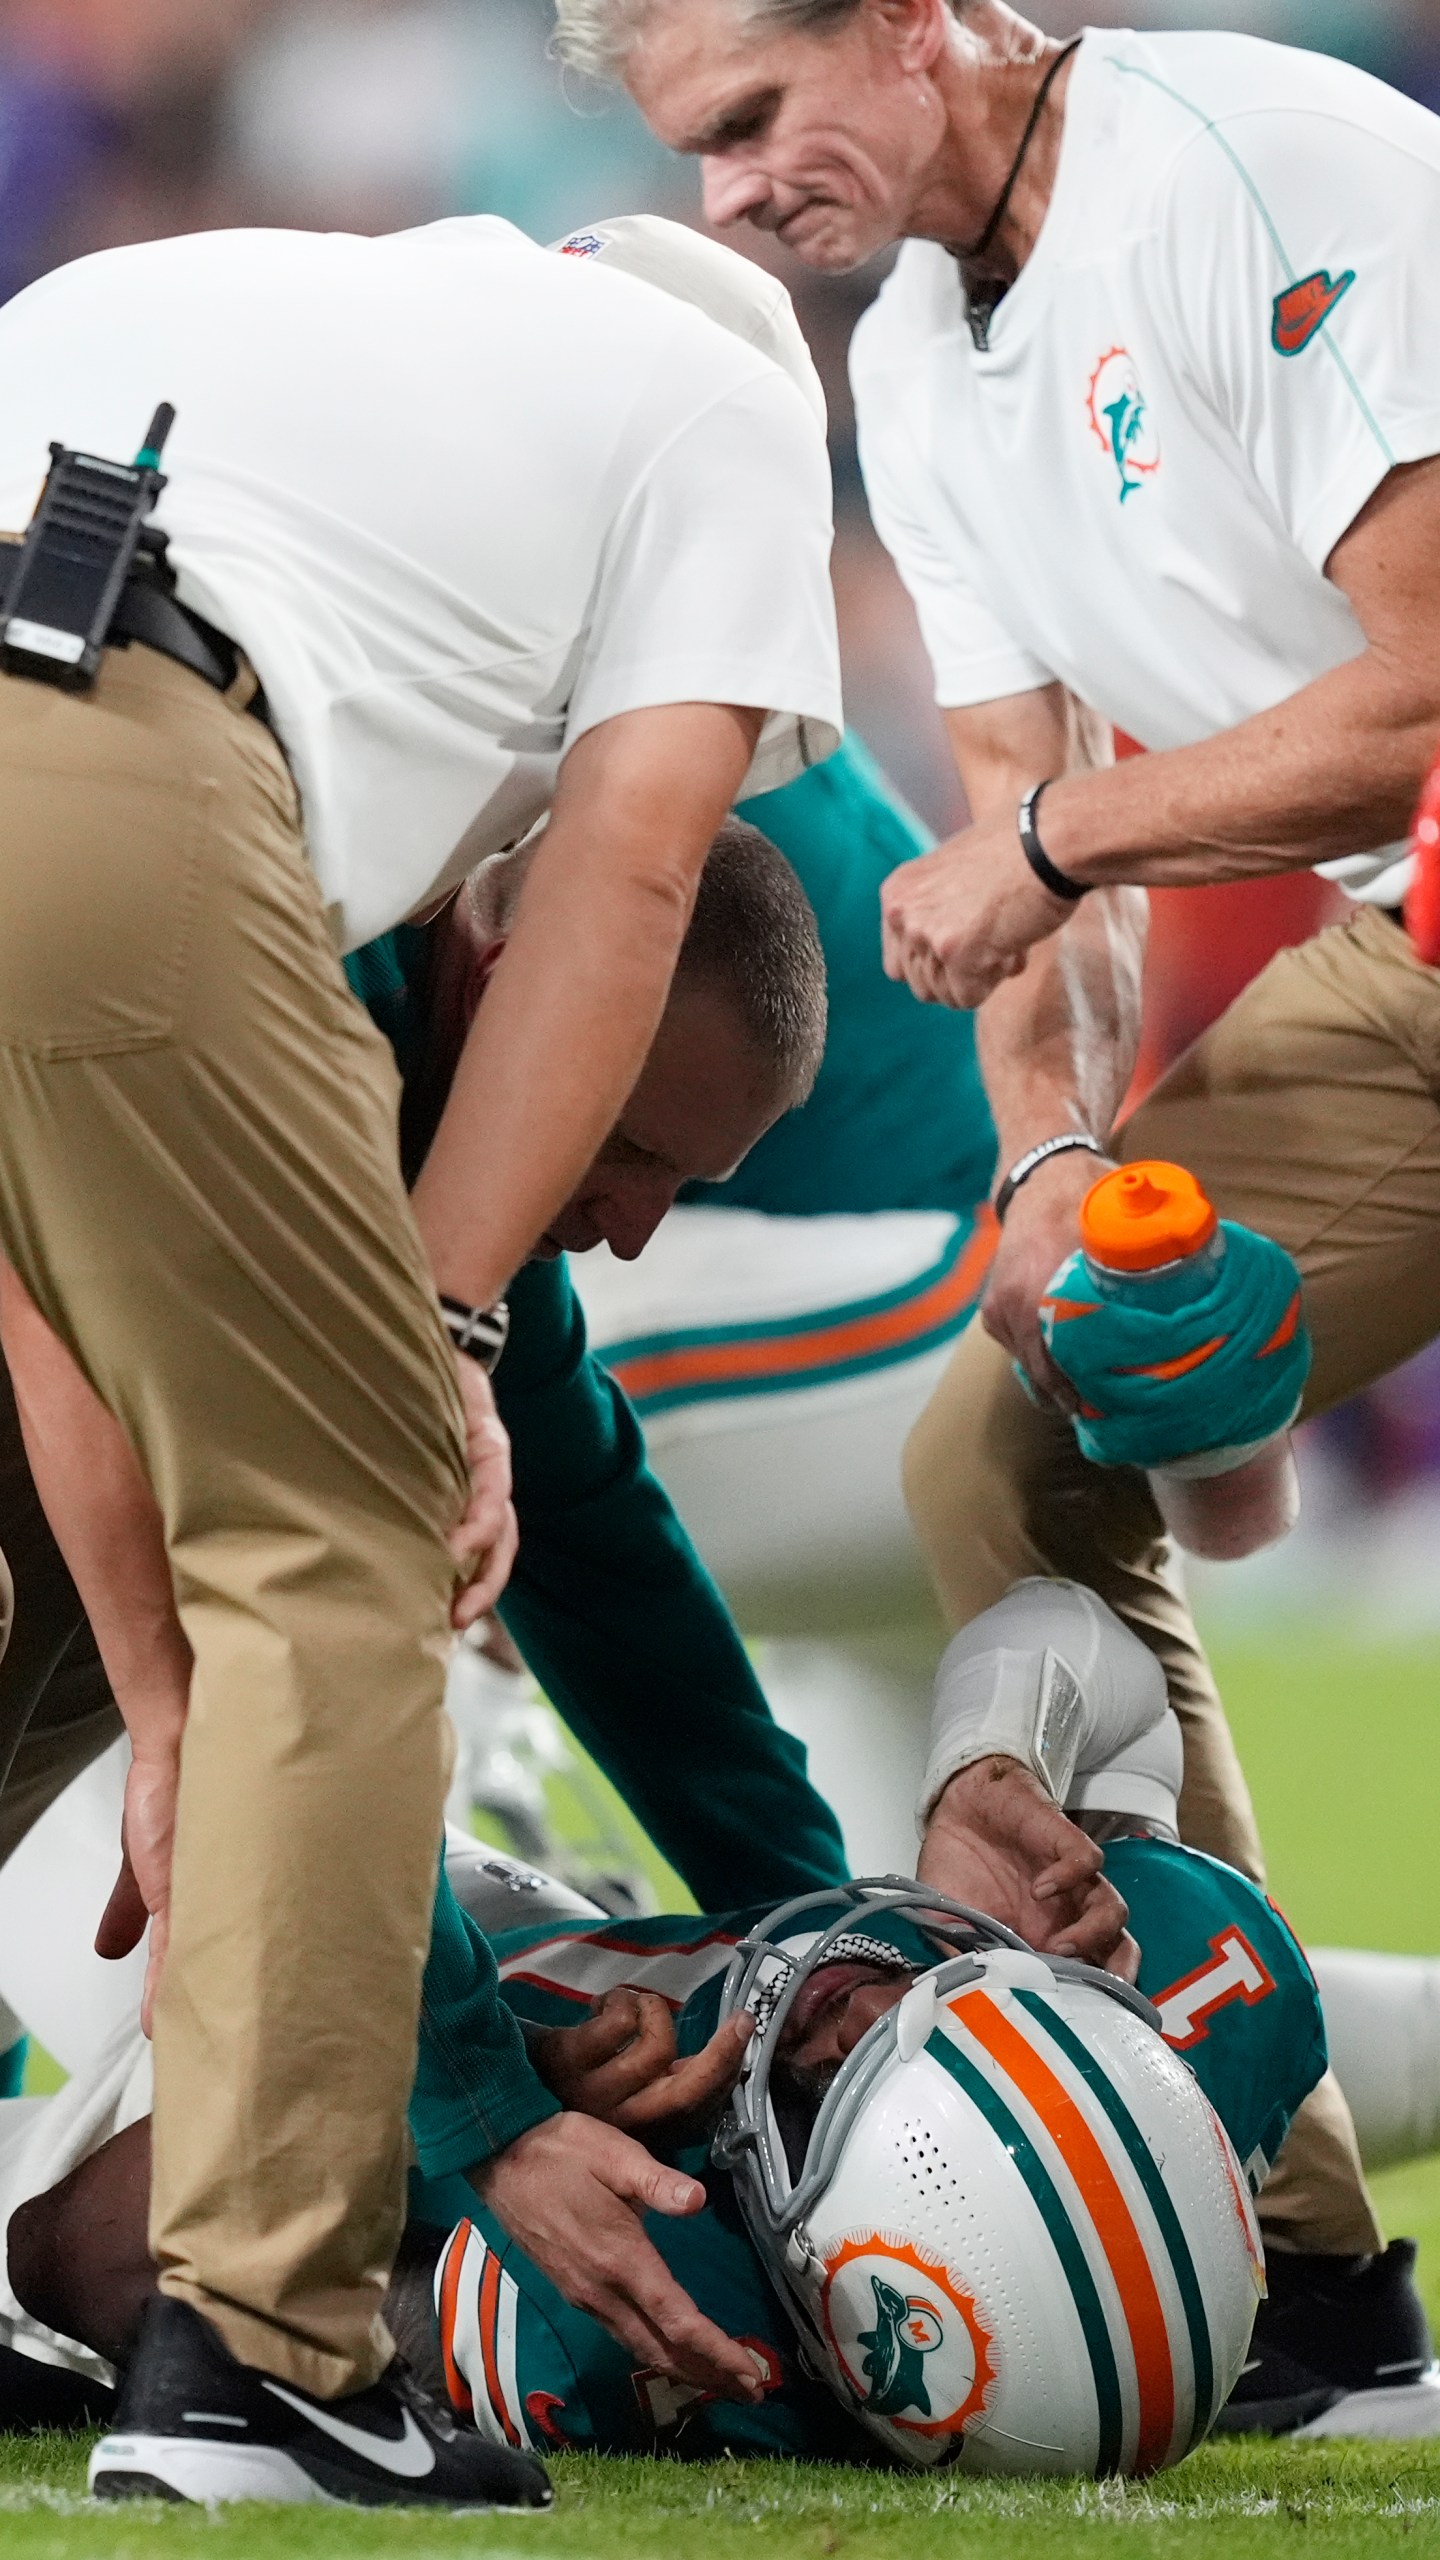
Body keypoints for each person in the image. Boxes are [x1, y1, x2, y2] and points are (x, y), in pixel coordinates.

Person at [556, 0, 1440, 2432]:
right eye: (696, 156)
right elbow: (1019, 829)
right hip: (1419, 938)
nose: (736, 190)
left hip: (1412, 836)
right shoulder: (929, 374)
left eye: (753, 118)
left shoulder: (1258, 167)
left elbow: (1417, 682)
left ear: (928, 23)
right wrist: (1051, 1156)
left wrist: (1044, 850)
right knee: (999, 1448)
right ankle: (1311, 2273)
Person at [0, 207, 841, 2502]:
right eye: (650, 1156)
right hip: (113, 741)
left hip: (61, 693)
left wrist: (814, 1914)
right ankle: (262, 2345)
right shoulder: (726, 409)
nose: (638, 1215)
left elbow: (56, 1310)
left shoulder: (288, 334)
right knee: (349, 1519)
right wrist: (436, 1346)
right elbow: (640, 857)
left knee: (56, 1621)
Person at [0, 1582, 1345, 2469]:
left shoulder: (635, 2331)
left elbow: (67, 2254)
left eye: (833, 2095)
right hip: (484, 1917)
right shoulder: (1183, 2019)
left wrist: (479, 2114)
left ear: (821, 2284)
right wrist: (988, 1757)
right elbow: (1069, 1633)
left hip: (207, 2069)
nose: (853, 2008)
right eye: (952, 2021)